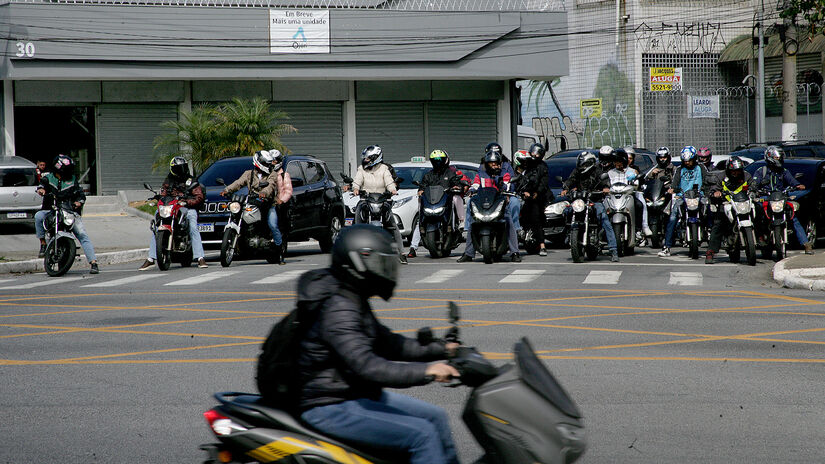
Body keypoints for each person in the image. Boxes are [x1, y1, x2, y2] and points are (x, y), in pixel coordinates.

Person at [297, 224, 460, 464]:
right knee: (422, 435)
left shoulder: (353, 299)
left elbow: (389, 343)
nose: (386, 271)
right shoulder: (339, 309)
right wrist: (428, 371)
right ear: (358, 264)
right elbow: (369, 366)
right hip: (329, 404)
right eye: (380, 264)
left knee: (436, 417)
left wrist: (441, 349)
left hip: (352, 393)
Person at [218, 150, 291, 264]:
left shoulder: (272, 174)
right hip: (252, 201)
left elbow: (270, 186)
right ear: (259, 162)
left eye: (269, 163)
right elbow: (238, 183)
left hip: (268, 203)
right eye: (266, 163)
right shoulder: (249, 174)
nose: (269, 166)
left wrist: (264, 193)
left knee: (272, 225)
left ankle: (279, 252)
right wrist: (227, 190)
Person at [138, 156, 207, 270]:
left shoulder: (191, 181)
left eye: (183, 167)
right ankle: (151, 258)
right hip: (171, 206)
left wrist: (187, 201)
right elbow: (163, 193)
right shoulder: (168, 180)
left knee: (193, 226)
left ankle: (200, 257)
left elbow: (199, 196)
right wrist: (158, 198)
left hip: (187, 207)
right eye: (178, 168)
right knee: (156, 225)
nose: (181, 170)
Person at [34, 154, 99, 274]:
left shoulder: (72, 180)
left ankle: (93, 263)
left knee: (82, 235)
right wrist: (41, 190)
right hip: (52, 210)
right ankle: (43, 244)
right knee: (38, 216)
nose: (69, 172)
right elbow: (41, 185)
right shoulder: (48, 178)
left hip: (69, 212)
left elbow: (81, 195)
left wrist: (79, 202)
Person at [457, 150, 521, 263]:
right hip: (484, 204)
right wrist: (471, 190)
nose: (494, 165)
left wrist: (505, 187)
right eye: (492, 163)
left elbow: (508, 185)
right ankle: (468, 253)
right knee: (473, 222)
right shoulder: (481, 174)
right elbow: (475, 185)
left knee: (508, 221)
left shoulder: (503, 174)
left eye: (496, 163)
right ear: (486, 164)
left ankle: (514, 252)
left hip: (498, 203)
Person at [406, 149, 469, 258]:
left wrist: (457, 186)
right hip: (432, 203)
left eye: (440, 160)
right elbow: (423, 186)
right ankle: (413, 247)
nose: (437, 162)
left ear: (445, 160)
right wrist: (420, 190)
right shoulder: (429, 175)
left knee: (456, 198)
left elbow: (456, 182)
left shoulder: (450, 173)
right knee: (420, 220)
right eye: (435, 160)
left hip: (446, 202)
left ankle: (461, 221)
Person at [751, 145, 814, 255]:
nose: (779, 159)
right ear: (769, 157)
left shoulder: (784, 171)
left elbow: (792, 181)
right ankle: (761, 236)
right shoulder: (761, 171)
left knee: (793, 216)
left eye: (780, 157)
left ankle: (806, 244)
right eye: (776, 157)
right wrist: (754, 189)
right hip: (766, 197)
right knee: (758, 211)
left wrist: (798, 185)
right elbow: (754, 183)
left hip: (780, 197)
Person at [560, 151, 620, 262]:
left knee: (604, 219)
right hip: (580, 201)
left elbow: (605, 181)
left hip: (594, 200)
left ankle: (613, 250)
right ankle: (569, 234)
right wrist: (566, 187)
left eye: (584, 164)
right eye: (580, 164)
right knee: (566, 211)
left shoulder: (597, 171)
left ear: (590, 163)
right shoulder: (577, 171)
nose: (582, 167)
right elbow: (571, 179)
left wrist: (605, 188)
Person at [352, 145, 407, 264]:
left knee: (393, 225)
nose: (365, 160)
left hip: (382, 200)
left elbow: (389, 181)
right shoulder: (361, 169)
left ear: (376, 158)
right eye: (365, 158)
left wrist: (392, 190)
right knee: (357, 221)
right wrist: (356, 189)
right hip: (365, 200)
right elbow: (357, 181)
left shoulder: (384, 169)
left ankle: (402, 253)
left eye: (368, 158)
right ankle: (355, 249)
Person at [658, 146, 713, 257]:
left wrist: (708, 189)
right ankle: (667, 247)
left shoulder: (700, 167)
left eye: (690, 160)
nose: (688, 163)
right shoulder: (679, 169)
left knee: (710, 211)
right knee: (673, 217)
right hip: (682, 197)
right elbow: (675, 183)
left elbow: (707, 179)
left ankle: (710, 234)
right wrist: (672, 189)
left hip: (699, 196)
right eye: (686, 161)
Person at [705, 156, 752, 264]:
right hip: (726, 204)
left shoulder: (747, 176)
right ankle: (710, 252)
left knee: (758, 211)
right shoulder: (720, 177)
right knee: (718, 224)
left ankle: (761, 238)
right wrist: (716, 193)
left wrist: (754, 191)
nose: (736, 173)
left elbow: (753, 186)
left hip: (743, 204)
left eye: (738, 170)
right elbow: (713, 190)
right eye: (733, 171)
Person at [515, 146, 550, 256]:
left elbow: (543, 183)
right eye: (533, 152)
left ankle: (542, 245)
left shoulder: (542, 166)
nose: (534, 155)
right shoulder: (527, 164)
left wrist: (535, 193)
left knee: (535, 218)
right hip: (523, 194)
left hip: (537, 196)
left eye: (537, 153)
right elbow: (520, 178)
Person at [483, 142, 522, 236]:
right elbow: (479, 181)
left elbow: (511, 182)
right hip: (488, 195)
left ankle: (515, 228)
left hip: (504, 194)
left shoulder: (506, 166)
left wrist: (508, 193)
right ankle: (470, 241)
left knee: (515, 202)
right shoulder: (483, 166)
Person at [624, 147, 652, 237]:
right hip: (620, 194)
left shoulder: (635, 169)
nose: (628, 160)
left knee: (641, 204)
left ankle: (642, 227)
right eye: (627, 158)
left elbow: (639, 182)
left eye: (631, 158)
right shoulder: (618, 168)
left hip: (632, 193)